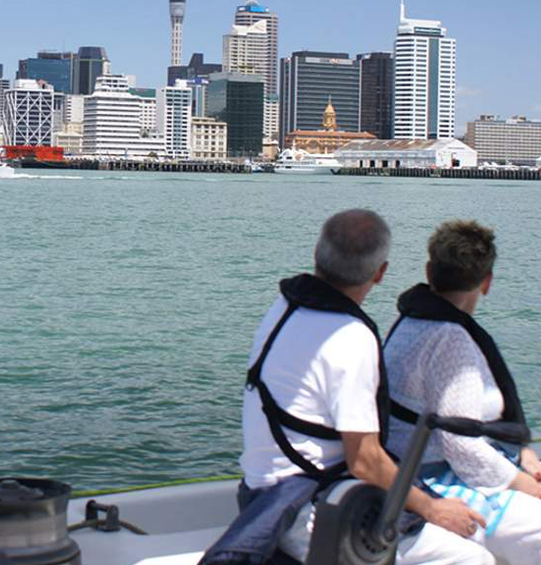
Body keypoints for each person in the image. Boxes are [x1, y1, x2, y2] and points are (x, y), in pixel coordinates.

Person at [201, 209, 492, 565]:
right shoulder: (351, 338)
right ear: (381, 273)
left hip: (263, 495)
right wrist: (433, 508)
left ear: (317, 256)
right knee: (473, 555)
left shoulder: (283, 308)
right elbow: (365, 461)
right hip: (311, 509)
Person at [384, 220, 541, 565]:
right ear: (487, 283)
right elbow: (462, 447)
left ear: (430, 271)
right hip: (441, 479)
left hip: (419, 468)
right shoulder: (452, 341)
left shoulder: (410, 321)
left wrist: (523, 455)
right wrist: (524, 483)